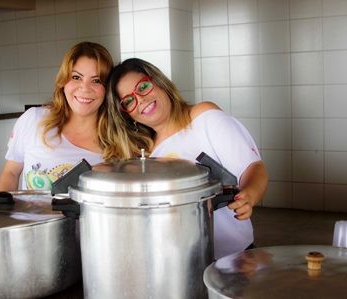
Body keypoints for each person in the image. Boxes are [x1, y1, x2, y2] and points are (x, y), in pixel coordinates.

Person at [106, 58, 268, 259]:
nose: (140, 100)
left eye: (143, 87)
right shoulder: (144, 155)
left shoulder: (203, 117)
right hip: (177, 263)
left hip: (234, 257)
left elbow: (253, 168)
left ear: (159, 82)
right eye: (128, 101)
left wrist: (249, 195)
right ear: (127, 115)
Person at [0, 42, 115, 191]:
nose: (85, 88)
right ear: (63, 81)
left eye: (96, 80)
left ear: (107, 89)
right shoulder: (33, 120)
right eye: (76, 77)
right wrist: (6, 213)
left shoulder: (118, 140)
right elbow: (10, 173)